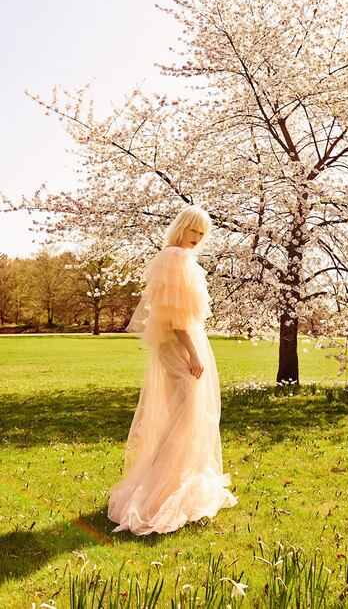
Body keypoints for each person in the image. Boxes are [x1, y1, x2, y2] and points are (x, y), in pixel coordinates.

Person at [107, 204, 238, 535]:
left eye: (201, 233)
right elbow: (175, 316)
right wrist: (192, 352)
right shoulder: (176, 258)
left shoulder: (177, 258)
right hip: (180, 344)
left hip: (179, 342)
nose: (196, 237)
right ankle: (159, 483)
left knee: (185, 413)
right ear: (181, 227)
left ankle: (168, 476)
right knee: (187, 413)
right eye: (192, 229)